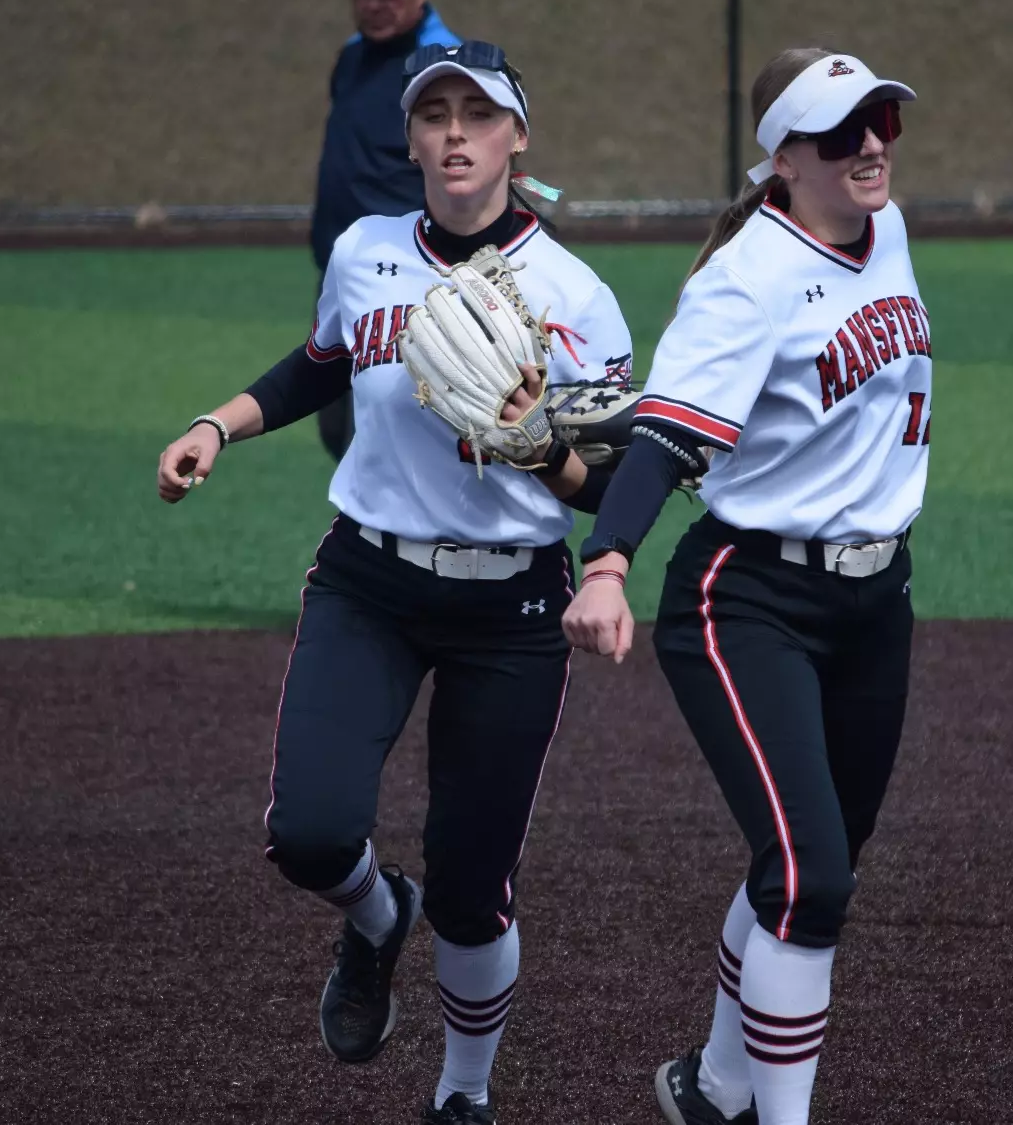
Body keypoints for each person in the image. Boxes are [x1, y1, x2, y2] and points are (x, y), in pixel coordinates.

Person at [157, 42, 634, 1125]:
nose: (455, 132)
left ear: (519, 138)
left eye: (479, 114)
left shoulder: (575, 295)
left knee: (473, 894)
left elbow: (607, 489)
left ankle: (462, 1096)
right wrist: (215, 425)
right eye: (436, 114)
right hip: (368, 582)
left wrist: (534, 449)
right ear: (411, 139)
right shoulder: (366, 250)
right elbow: (321, 360)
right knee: (311, 835)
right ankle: (376, 915)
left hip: (509, 608)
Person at [562, 48, 929, 1125]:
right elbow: (667, 442)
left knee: (811, 871)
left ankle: (713, 1085)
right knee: (810, 880)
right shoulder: (745, 279)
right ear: (782, 158)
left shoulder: (887, 231)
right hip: (747, 600)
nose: (868, 145)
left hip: (875, 603)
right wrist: (608, 563)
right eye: (836, 132)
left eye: (879, 122)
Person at [311, 0, 461, 462]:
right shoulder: (351, 57)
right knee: (333, 421)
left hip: (410, 283)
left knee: (380, 433)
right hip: (343, 274)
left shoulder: (444, 67)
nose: (374, 5)